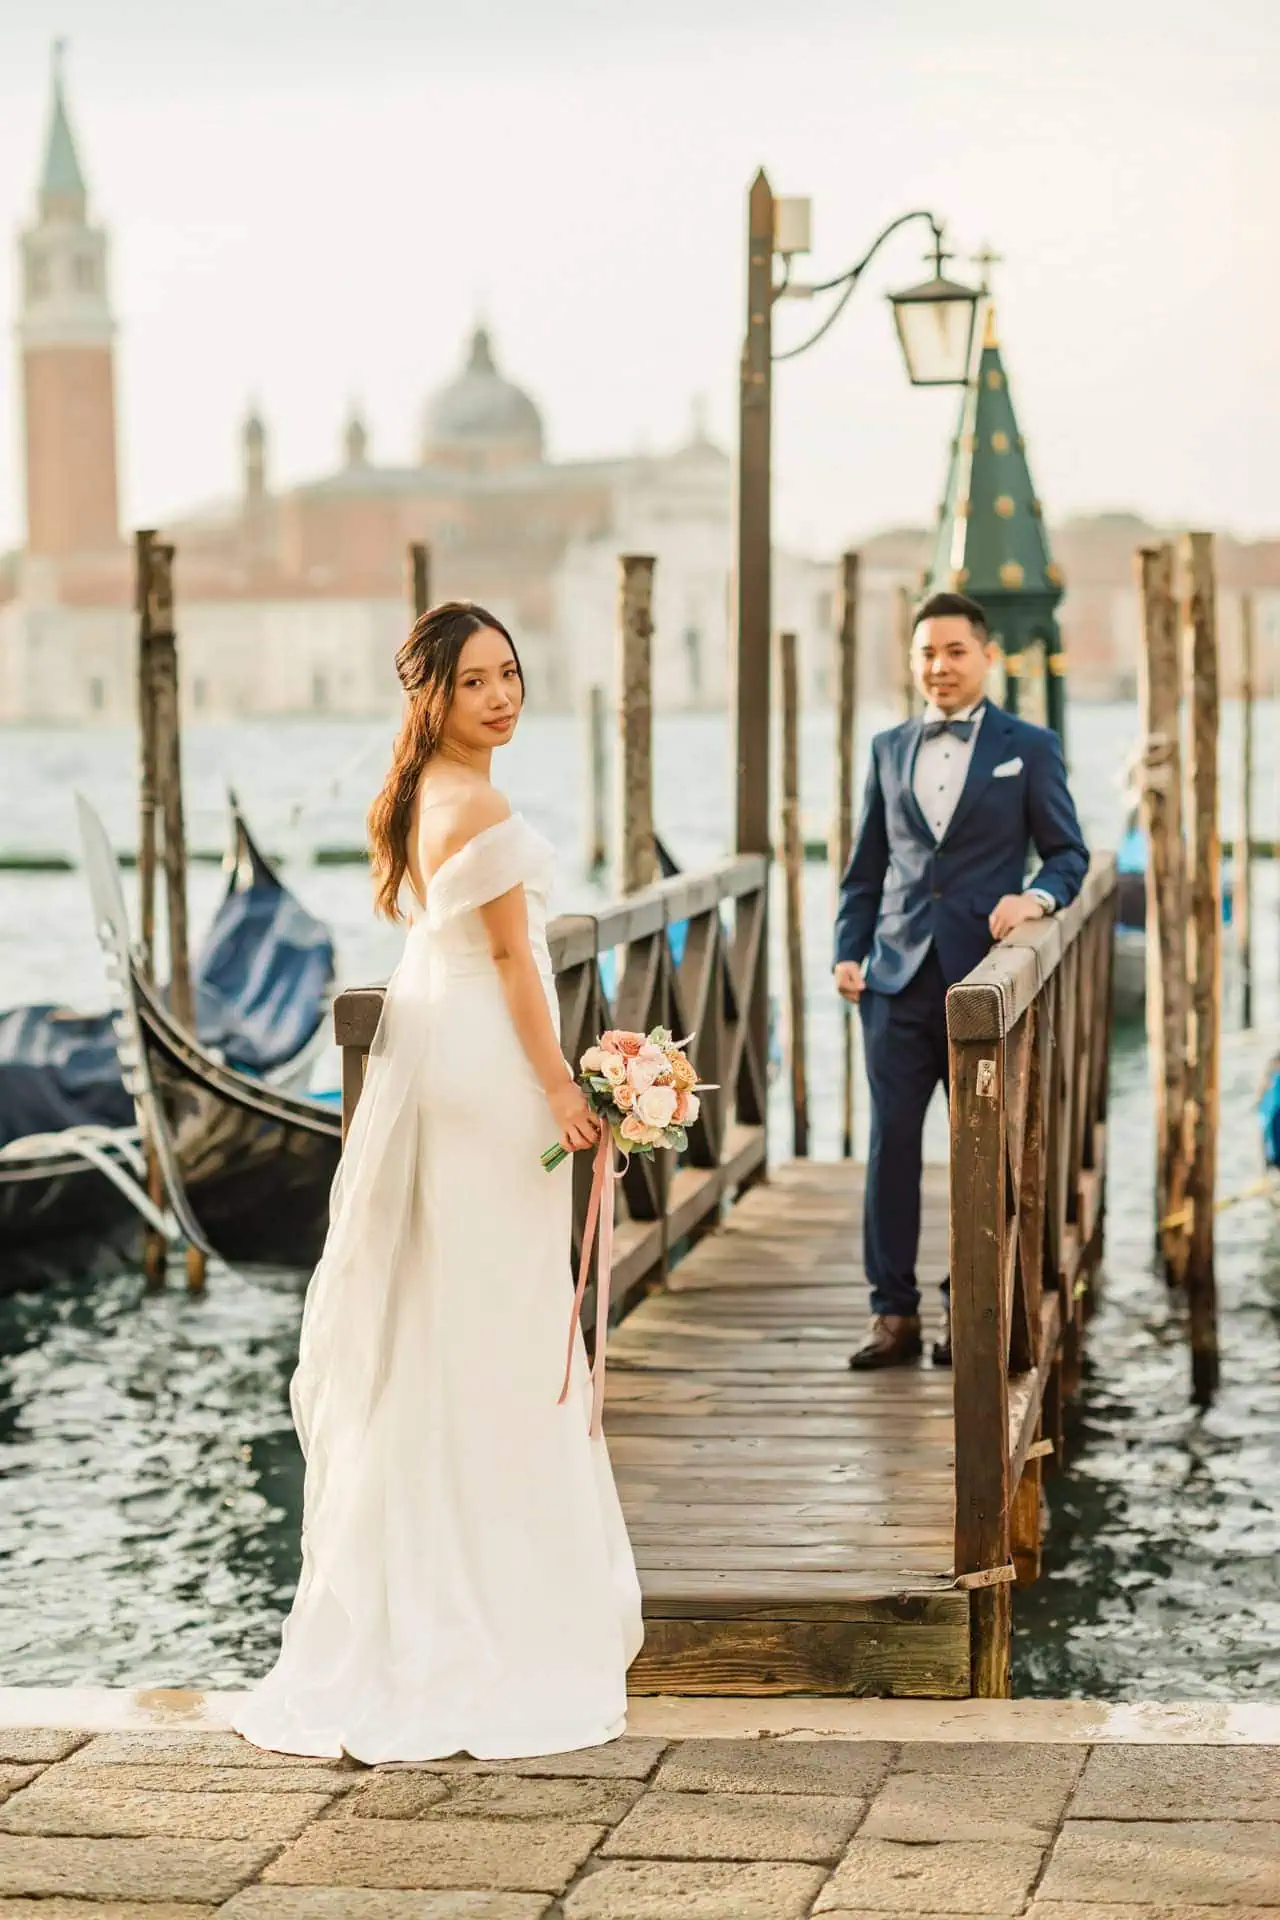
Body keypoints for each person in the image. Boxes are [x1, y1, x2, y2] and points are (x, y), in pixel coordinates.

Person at [233, 602, 643, 1762]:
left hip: (446, 1063)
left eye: (508, 673)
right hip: (492, 1073)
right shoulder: (479, 805)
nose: (500, 696)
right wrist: (563, 1084)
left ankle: (436, 1581)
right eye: (473, 682)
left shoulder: (418, 795)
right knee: (504, 1329)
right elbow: (512, 958)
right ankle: (496, 1611)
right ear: (432, 697)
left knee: (450, 1323)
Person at [833, 591, 1088, 1371]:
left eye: (954, 651)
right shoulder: (887, 747)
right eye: (926, 654)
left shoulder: (1029, 747)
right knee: (891, 1149)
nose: (939, 666)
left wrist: (1035, 899)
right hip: (895, 981)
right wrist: (848, 949)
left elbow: (1068, 854)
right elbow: (865, 869)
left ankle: (970, 1305)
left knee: (984, 1155)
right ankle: (892, 1312)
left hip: (985, 986)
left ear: (987, 657)